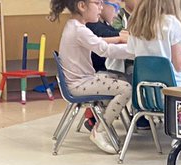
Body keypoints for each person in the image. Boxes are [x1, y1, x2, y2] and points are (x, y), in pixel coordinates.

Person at [52, 0, 134, 154]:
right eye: (97, 3)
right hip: (80, 85)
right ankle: (100, 130)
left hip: (81, 81)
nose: (101, 7)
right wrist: (137, 50)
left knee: (120, 78)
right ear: (82, 6)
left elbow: (98, 42)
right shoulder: (80, 30)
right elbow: (105, 50)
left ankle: (102, 122)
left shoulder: (74, 26)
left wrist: (119, 40)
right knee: (126, 89)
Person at [126, 0, 181, 87]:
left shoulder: (135, 22)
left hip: (144, 88)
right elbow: (179, 66)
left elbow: (134, 53)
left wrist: (171, 48)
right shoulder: (171, 23)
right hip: (170, 87)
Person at [88, 1, 126, 74]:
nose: (117, 12)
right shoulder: (90, 24)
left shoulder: (104, 24)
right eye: (116, 6)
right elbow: (105, 35)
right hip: (96, 73)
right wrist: (120, 37)